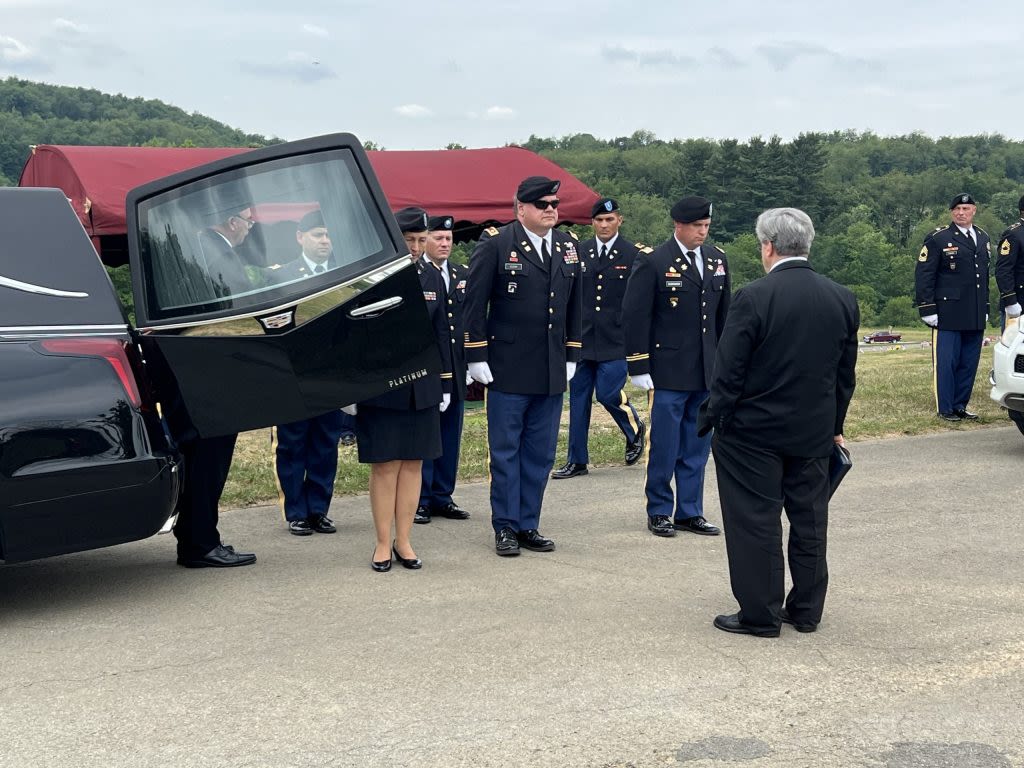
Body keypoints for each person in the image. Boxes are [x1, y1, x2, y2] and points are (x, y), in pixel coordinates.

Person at [700, 207, 858, 637]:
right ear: (807, 244)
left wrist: (717, 418)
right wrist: (835, 425)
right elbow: (845, 376)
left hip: (753, 433)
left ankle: (760, 613)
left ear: (767, 246)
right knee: (809, 519)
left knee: (755, 520)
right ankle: (806, 609)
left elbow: (727, 371)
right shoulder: (841, 297)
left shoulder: (754, 297)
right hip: (812, 430)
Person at [464, 176, 582, 556]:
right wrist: (476, 355)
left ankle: (529, 523)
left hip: (550, 367)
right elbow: (474, 306)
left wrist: (572, 353)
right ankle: (505, 526)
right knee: (506, 451)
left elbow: (575, 305)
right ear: (521, 209)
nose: (551, 210)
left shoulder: (566, 246)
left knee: (540, 452)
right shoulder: (497, 244)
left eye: (554, 204)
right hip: (508, 366)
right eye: (542, 205)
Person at [622, 196, 729, 538]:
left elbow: (722, 319)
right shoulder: (654, 261)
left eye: (706, 226)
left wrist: (725, 364)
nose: (703, 232)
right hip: (667, 370)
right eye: (697, 227)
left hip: (704, 371)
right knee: (665, 445)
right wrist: (638, 364)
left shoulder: (717, 260)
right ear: (679, 226)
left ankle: (690, 511)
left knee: (696, 446)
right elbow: (635, 315)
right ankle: (659, 510)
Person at [352, 207, 448, 572]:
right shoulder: (373, 279)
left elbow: (442, 336)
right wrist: (353, 387)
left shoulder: (431, 277)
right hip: (382, 386)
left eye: (422, 240)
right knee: (385, 466)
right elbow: (357, 337)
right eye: (409, 240)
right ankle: (381, 542)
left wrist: (446, 385)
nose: (416, 247)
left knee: (412, 465)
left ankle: (404, 540)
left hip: (422, 387)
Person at [174, 197, 258, 568]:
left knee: (202, 461)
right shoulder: (214, 253)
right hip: (212, 378)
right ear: (231, 221)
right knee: (209, 463)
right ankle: (201, 543)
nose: (252, 226)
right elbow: (229, 311)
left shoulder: (198, 248)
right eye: (248, 220)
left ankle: (196, 538)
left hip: (200, 375)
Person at [552, 198, 646, 480]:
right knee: (578, 400)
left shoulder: (634, 254)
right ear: (592, 222)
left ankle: (634, 429)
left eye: (609, 220)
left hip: (616, 339)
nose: (604, 225)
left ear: (620, 220)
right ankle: (577, 460)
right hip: (582, 339)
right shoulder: (579, 251)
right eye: (599, 220)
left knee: (607, 393)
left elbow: (638, 302)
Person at [271, 210, 344, 536]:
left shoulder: (344, 274)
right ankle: (296, 511)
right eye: (317, 234)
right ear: (300, 238)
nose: (324, 241)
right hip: (292, 375)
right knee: (293, 444)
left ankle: (319, 509)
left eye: (327, 235)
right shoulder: (283, 275)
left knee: (326, 443)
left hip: (330, 376)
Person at [914, 193, 991, 422]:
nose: (961, 213)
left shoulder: (983, 237)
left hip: (974, 310)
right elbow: (924, 275)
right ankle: (945, 408)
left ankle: (960, 405)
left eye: (966, 209)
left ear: (974, 211)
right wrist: (927, 308)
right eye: (957, 209)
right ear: (951, 212)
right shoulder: (938, 238)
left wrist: (985, 306)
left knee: (969, 362)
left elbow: (984, 276)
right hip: (948, 312)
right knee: (947, 362)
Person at [416, 214, 471, 525]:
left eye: (449, 239)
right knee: (427, 434)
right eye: (438, 238)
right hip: (431, 369)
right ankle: (420, 499)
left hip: (457, 366)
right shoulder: (419, 274)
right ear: (426, 241)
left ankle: (442, 495)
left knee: (451, 434)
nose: (445, 243)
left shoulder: (462, 273)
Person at [197, 202, 257, 298]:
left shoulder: (200, 241)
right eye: (249, 221)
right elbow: (248, 301)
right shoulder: (224, 258)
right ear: (233, 222)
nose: (249, 227)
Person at [995, 195, 1024, 327]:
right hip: (1019, 302)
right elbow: (1003, 270)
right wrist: (1010, 300)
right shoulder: (1014, 234)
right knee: (1015, 347)